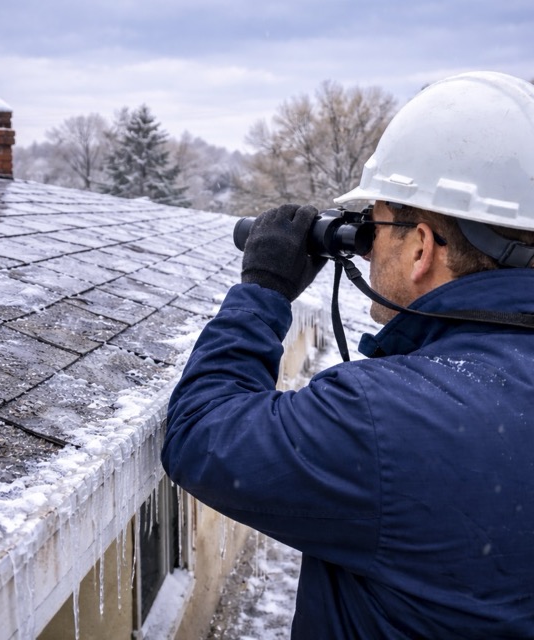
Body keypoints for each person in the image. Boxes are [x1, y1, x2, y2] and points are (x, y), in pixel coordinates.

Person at [161, 71, 534, 638]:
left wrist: (263, 288)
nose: (364, 249)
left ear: (420, 247)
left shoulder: (388, 416)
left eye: (376, 226)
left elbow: (202, 433)